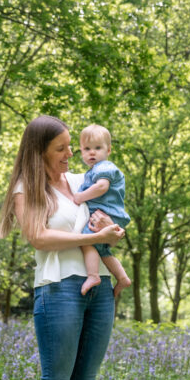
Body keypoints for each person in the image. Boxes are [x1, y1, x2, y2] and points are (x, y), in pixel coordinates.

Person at [0, 115, 126, 380]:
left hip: (98, 287)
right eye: (61, 148)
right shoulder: (27, 187)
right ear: (39, 151)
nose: (71, 153)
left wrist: (111, 230)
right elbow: (39, 237)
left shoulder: (79, 180)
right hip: (58, 290)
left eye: (72, 145)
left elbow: (109, 213)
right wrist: (94, 238)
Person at [72, 124, 133, 297]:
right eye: (87, 149)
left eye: (98, 148)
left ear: (108, 150)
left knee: (86, 240)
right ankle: (122, 278)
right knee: (103, 250)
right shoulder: (93, 170)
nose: (92, 153)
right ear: (81, 151)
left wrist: (80, 197)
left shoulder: (103, 167)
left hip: (105, 214)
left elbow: (101, 187)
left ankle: (93, 275)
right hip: (110, 216)